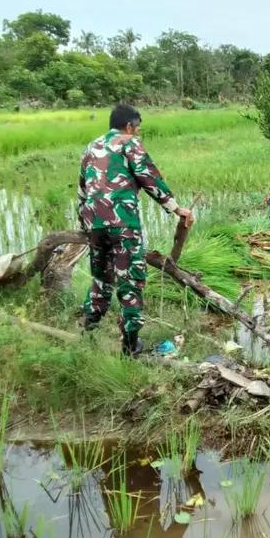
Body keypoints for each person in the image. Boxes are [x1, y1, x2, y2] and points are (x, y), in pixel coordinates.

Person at [77, 104, 194, 356]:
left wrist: (85, 225)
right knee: (130, 281)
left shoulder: (90, 147)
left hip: (93, 223)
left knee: (101, 279)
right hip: (122, 223)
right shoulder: (129, 142)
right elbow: (148, 177)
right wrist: (176, 208)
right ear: (129, 126)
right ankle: (130, 347)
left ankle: (88, 331)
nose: (137, 131)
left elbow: (82, 189)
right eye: (137, 127)